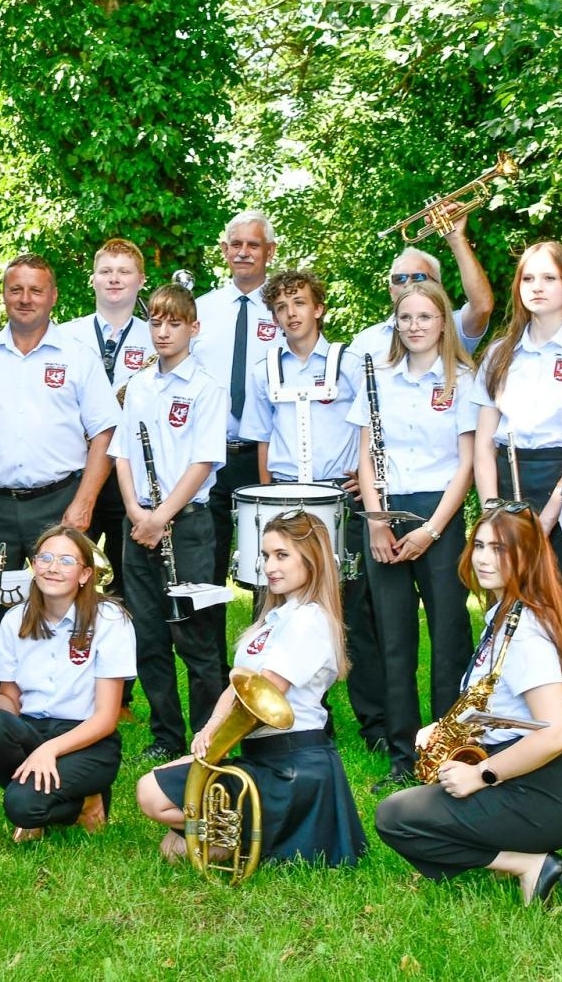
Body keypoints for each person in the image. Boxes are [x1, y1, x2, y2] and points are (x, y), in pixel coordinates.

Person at [374, 502, 562, 903]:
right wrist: (444, 727)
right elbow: (498, 699)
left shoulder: (526, 633)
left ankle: (529, 863)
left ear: (527, 557)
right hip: (534, 777)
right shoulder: (504, 614)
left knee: (396, 818)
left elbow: (556, 734)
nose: (482, 558)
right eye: (479, 545)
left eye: (499, 549)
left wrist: (482, 776)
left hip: (550, 791)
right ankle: (521, 855)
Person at [136, 510, 366, 868]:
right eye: (265, 555)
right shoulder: (274, 617)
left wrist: (207, 758)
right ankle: (245, 836)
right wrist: (209, 730)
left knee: (151, 793)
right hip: (263, 756)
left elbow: (265, 693)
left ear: (313, 559)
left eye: (282, 555)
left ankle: (249, 833)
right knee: (174, 850)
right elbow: (238, 683)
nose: (270, 566)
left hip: (293, 766)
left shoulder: (309, 619)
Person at [0, 255, 120, 639]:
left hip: (57, 502)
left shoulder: (78, 358)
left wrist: (84, 502)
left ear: (52, 296)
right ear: (3, 295)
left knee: (62, 604)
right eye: (16, 289)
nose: (25, 298)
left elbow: (105, 433)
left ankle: (63, 694)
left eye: (36, 290)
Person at [241, 269, 380, 750]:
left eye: (299, 303)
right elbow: (260, 436)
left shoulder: (350, 361)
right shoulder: (264, 368)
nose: (291, 314)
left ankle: (374, 723)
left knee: (349, 610)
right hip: (284, 494)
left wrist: (365, 478)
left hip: (335, 498)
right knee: (280, 610)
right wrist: (266, 500)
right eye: (280, 307)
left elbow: (368, 426)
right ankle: (299, 715)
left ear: (318, 307)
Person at [349, 281, 478, 788]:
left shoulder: (463, 380)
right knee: (394, 640)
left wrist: (433, 529)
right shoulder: (379, 378)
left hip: (438, 515)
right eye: (406, 319)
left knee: (449, 636)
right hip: (385, 514)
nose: (416, 326)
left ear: (443, 322)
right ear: (395, 324)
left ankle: (445, 751)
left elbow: (467, 463)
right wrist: (377, 521)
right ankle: (404, 755)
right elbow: (365, 455)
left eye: (425, 317)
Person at [109, 283, 228, 760]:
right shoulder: (138, 385)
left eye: (173, 323)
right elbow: (121, 453)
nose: (163, 331)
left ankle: (207, 736)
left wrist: (162, 516)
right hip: (138, 524)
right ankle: (165, 736)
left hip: (188, 524)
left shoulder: (206, 387)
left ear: (193, 328)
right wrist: (138, 513)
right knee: (148, 637)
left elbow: (203, 462)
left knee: (197, 640)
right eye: (155, 322)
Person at [0, 526, 135, 842]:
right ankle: (70, 800)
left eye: (66, 561)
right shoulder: (15, 619)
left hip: (88, 741)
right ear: (34, 565)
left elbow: (106, 718)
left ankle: (83, 802)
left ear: (84, 574)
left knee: (22, 807)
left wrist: (50, 751)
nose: (53, 567)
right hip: (31, 730)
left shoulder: (110, 619)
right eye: (46, 558)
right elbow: (10, 707)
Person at [471, 241, 562, 607]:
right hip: (509, 478)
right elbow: (482, 443)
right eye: (528, 278)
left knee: (560, 598)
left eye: (549, 278)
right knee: (507, 598)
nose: (536, 287)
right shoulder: (499, 354)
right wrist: (492, 509)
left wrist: (550, 515)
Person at [194, 212, 283, 649]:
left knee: (273, 569)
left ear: (270, 252)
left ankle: (270, 662)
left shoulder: (286, 309)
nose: (243, 252)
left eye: (253, 245)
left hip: (263, 456)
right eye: (235, 244)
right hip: (209, 457)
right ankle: (212, 675)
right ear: (225, 250)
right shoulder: (203, 310)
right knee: (206, 569)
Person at [64, 238, 153, 607]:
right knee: (67, 567)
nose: (114, 279)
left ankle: (123, 653)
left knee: (126, 574)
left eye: (124, 272)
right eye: (106, 271)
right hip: (74, 465)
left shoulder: (156, 336)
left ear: (141, 280)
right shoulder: (65, 334)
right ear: (93, 280)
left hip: (128, 470)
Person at [349, 209, 495, 360]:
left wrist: (455, 237)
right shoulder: (365, 342)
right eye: (399, 279)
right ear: (391, 291)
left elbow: (482, 307)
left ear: (438, 288)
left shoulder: (452, 328)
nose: (408, 283)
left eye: (418, 277)